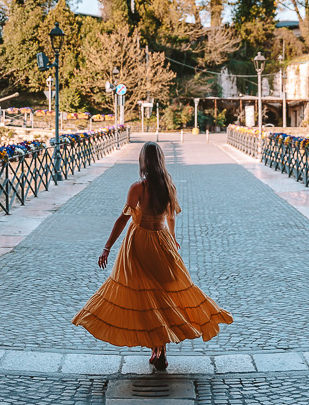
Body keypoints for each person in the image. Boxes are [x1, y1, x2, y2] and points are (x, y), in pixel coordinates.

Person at [72, 140, 232, 370]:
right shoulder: (169, 186)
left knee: (145, 296)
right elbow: (171, 217)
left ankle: (156, 348)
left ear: (143, 161)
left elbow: (123, 218)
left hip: (138, 244)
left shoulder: (138, 187)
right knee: (164, 292)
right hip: (162, 240)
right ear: (161, 161)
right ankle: (161, 349)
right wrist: (173, 238)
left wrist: (107, 247)